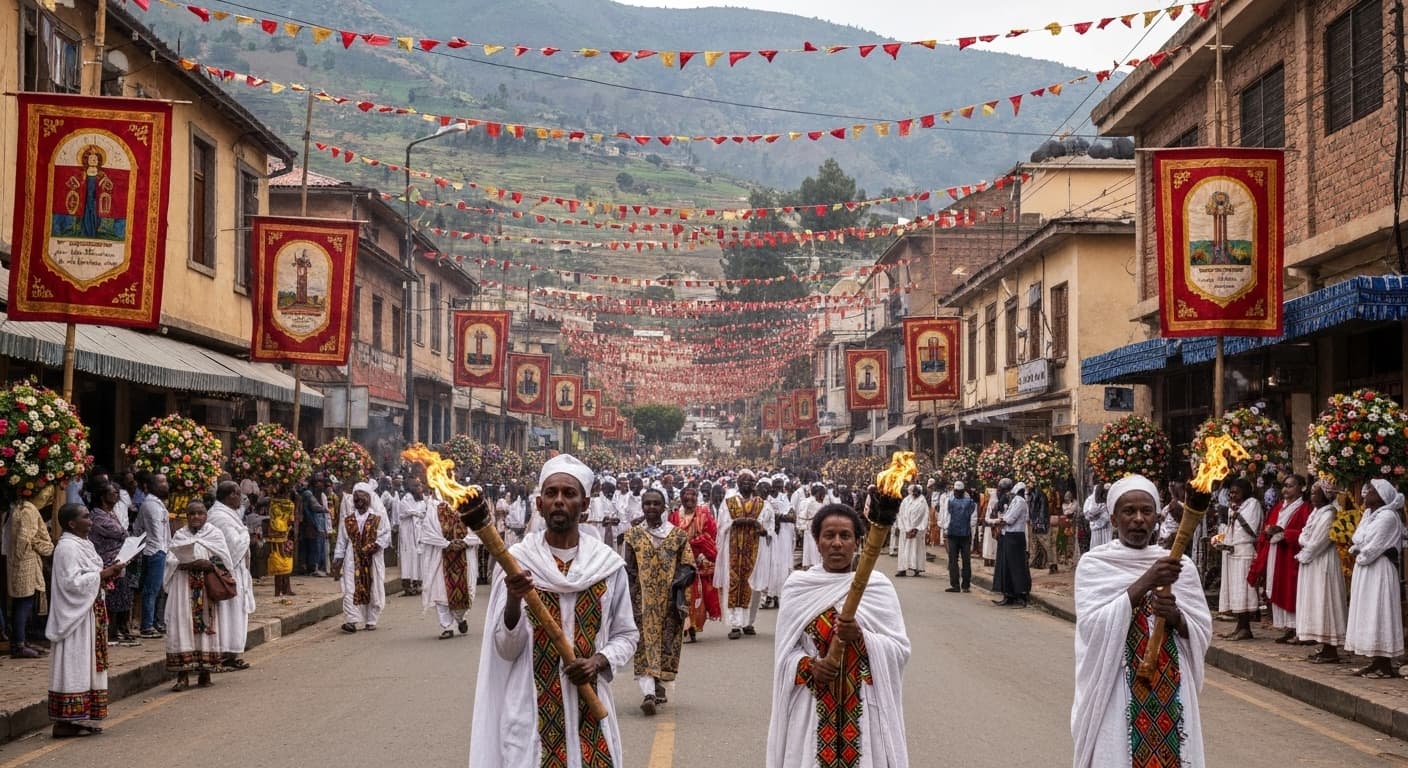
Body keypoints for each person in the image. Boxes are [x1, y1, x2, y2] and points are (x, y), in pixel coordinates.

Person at [468, 454, 639, 768]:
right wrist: (513, 599)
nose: (559, 500)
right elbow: (505, 649)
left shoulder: (607, 566)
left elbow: (627, 635)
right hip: (530, 713)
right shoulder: (517, 563)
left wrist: (599, 661)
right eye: (551, 493)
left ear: (584, 504)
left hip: (591, 712)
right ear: (539, 504)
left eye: (569, 493)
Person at [1071, 474, 1211, 768]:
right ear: (1113, 519)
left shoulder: (1181, 566)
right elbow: (1091, 627)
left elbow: (1200, 629)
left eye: (1146, 511)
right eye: (1129, 511)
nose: (1138, 519)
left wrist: (1175, 617)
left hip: (1171, 684)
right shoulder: (1095, 564)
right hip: (1116, 685)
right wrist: (1146, 582)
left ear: (1157, 518)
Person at [766, 503, 910, 768]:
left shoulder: (878, 587)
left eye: (845, 536)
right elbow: (786, 654)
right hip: (812, 710)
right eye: (828, 535)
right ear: (817, 542)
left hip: (865, 711)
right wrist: (810, 666)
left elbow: (900, 650)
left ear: (857, 542)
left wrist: (862, 637)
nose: (836, 543)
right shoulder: (798, 587)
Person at [46, 503, 126, 737]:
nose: (91, 521)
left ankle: (81, 717)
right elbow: (70, 583)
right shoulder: (67, 548)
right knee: (75, 661)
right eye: (86, 517)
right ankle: (65, 721)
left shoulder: (85, 544)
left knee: (89, 662)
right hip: (76, 617)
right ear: (72, 523)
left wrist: (110, 571)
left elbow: (91, 574)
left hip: (91, 611)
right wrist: (102, 575)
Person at [623, 489, 693, 715]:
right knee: (644, 644)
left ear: (664, 507)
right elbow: (629, 569)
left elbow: (688, 566)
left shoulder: (678, 536)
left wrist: (676, 587)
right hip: (641, 602)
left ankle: (658, 683)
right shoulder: (633, 535)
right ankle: (648, 693)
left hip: (669, 602)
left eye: (656, 504)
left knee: (665, 644)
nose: (651, 507)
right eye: (647, 504)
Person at [163, 500, 232, 692]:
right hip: (183, 588)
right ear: (187, 516)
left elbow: (225, 560)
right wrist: (187, 564)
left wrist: (209, 564)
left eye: (200, 513)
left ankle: (205, 673)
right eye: (192, 513)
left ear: (206, 515)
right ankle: (182, 675)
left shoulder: (215, 534)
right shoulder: (180, 535)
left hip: (206, 589)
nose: (196, 517)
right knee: (182, 626)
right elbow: (170, 561)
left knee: (206, 626)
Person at [1344, 479, 1405, 679]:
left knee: (1379, 610)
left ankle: (1384, 662)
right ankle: (1376, 660)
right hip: (1366, 569)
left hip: (1379, 569)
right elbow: (1358, 538)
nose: (1366, 493)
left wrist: (1359, 553)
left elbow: (1373, 547)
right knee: (1368, 611)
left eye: (1371, 490)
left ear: (1381, 496)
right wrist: (1358, 549)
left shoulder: (1388, 516)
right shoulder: (1369, 514)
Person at [1249, 474, 1310, 643]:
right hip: (1275, 553)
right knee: (1278, 587)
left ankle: (1298, 627)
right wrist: (1269, 532)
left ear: (1301, 488)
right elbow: (1266, 528)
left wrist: (1284, 532)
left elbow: (1307, 532)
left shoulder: (1305, 508)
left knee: (1291, 589)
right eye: (1284, 486)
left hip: (1291, 554)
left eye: (1290, 486)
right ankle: (1288, 627)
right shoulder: (1278, 508)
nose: (1285, 489)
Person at [206, 481, 254, 671]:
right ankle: (223, 653)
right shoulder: (218, 516)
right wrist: (246, 534)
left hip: (237, 571)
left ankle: (233, 653)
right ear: (230, 495)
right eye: (238, 494)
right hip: (226, 572)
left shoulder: (228, 514)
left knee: (237, 612)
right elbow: (232, 545)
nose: (241, 499)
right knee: (226, 613)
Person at [1296, 482, 1346, 663]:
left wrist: (1304, 552)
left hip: (1323, 562)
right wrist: (1305, 544)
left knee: (1325, 599)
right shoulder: (1315, 513)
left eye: (1316, 493)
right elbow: (1303, 535)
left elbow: (1318, 542)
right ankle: (1324, 646)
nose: (1312, 497)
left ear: (1325, 495)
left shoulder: (1329, 514)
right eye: (1311, 493)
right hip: (1312, 561)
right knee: (1316, 601)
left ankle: (1331, 648)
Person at [714, 469, 768, 639]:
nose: (748, 485)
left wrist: (762, 529)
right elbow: (721, 525)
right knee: (733, 582)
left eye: (751, 482)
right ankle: (735, 624)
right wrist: (736, 522)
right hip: (733, 549)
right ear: (738, 484)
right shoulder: (729, 503)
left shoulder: (762, 504)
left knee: (751, 583)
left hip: (754, 550)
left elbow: (769, 526)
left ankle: (749, 622)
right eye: (744, 482)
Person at [333, 482, 392, 633]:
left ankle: (371, 619)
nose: (359, 501)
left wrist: (374, 546)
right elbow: (342, 540)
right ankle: (352, 620)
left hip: (372, 558)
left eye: (362, 497)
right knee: (350, 588)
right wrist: (338, 559)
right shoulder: (348, 520)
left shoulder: (377, 518)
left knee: (373, 587)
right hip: (352, 559)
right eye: (356, 498)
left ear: (369, 498)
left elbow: (386, 534)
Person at [420, 500, 480, 639]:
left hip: (465, 555)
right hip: (442, 556)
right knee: (440, 593)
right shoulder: (434, 508)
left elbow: (477, 529)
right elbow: (428, 532)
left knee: (465, 593)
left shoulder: (466, 505)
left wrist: (465, 542)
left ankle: (460, 618)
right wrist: (447, 544)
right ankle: (447, 626)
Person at [8, 489, 56, 659]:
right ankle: (19, 644)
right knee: (24, 602)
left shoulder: (20, 507)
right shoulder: (28, 510)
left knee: (22, 602)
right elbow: (24, 539)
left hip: (20, 560)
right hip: (25, 561)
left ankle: (21, 641)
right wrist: (37, 546)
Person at [88, 482, 137, 647]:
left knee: (120, 597)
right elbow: (121, 533)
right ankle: (110, 633)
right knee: (111, 599)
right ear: (103, 496)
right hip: (106, 561)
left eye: (117, 491)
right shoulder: (98, 516)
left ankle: (118, 630)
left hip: (118, 559)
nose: (117, 494)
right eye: (113, 492)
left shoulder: (111, 513)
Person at [670, 486, 720, 642]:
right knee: (682, 594)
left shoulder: (704, 514)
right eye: (686, 496)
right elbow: (670, 536)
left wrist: (698, 545)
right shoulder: (674, 517)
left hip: (700, 559)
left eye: (693, 496)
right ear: (681, 498)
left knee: (697, 595)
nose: (690, 499)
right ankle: (684, 625)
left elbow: (711, 534)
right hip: (680, 560)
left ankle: (693, 627)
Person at [1216, 478, 1262, 641]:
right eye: (1231, 493)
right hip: (1232, 552)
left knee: (1244, 591)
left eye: (1236, 492)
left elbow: (1252, 530)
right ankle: (1240, 627)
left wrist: (1236, 515)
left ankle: (1245, 628)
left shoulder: (1253, 504)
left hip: (1245, 552)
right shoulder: (1234, 507)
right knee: (1235, 590)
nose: (1232, 495)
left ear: (1245, 492)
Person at [992, 480, 1032, 607]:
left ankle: (1020, 597)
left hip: (1015, 537)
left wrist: (997, 521)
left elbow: (1009, 519)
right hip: (1008, 536)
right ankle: (1009, 595)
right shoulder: (1014, 501)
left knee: (1016, 568)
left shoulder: (1020, 501)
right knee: (1007, 567)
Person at [395, 476, 429, 596]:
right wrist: (416, 513)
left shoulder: (421, 501)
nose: (420, 488)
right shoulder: (405, 500)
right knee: (408, 561)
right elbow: (404, 513)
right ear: (411, 488)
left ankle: (418, 585)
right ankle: (408, 587)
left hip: (419, 535)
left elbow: (424, 514)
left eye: (420, 486)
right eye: (417, 486)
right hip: (408, 537)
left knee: (418, 560)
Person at [941, 481, 977, 593]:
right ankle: (956, 585)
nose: (957, 493)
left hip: (964, 535)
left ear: (962, 491)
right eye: (956, 491)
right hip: (953, 534)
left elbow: (973, 519)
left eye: (959, 491)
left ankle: (965, 585)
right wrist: (946, 529)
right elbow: (946, 516)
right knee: (953, 560)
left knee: (965, 560)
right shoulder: (950, 501)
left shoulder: (970, 502)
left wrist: (966, 527)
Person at [895, 484, 929, 577]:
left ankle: (916, 568)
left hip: (916, 531)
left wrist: (917, 529)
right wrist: (903, 528)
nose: (914, 494)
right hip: (905, 530)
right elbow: (900, 514)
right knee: (903, 550)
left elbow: (924, 517)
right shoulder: (906, 500)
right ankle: (902, 569)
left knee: (916, 549)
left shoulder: (922, 502)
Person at [796, 484, 827, 569]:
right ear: (818, 493)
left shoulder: (821, 503)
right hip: (810, 529)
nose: (823, 496)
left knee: (816, 549)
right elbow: (802, 515)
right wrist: (802, 527)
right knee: (812, 549)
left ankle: (817, 566)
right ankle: (812, 566)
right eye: (822, 494)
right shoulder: (808, 502)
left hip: (819, 530)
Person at [1084, 483, 1111, 550]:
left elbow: (1108, 516)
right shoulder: (1090, 500)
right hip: (1096, 529)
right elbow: (1088, 514)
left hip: (1107, 528)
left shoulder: (1108, 500)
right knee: (1096, 548)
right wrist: (1098, 509)